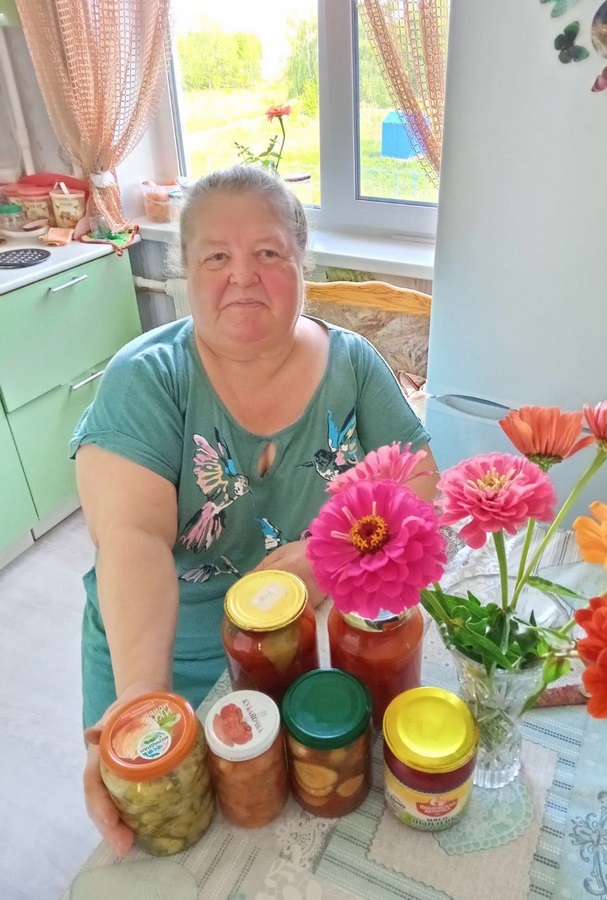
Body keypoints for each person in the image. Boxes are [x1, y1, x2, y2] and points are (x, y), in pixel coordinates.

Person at [71, 165, 439, 854]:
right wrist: (144, 700)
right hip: (168, 655)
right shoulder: (148, 378)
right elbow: (131, 539)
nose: (242, 276)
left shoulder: (352, 363)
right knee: (174, 843)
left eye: (268, 252)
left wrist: (327, 563)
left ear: (302, 263)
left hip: (300, 646)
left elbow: (419, 479)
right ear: (185, 271)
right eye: (216, 257)